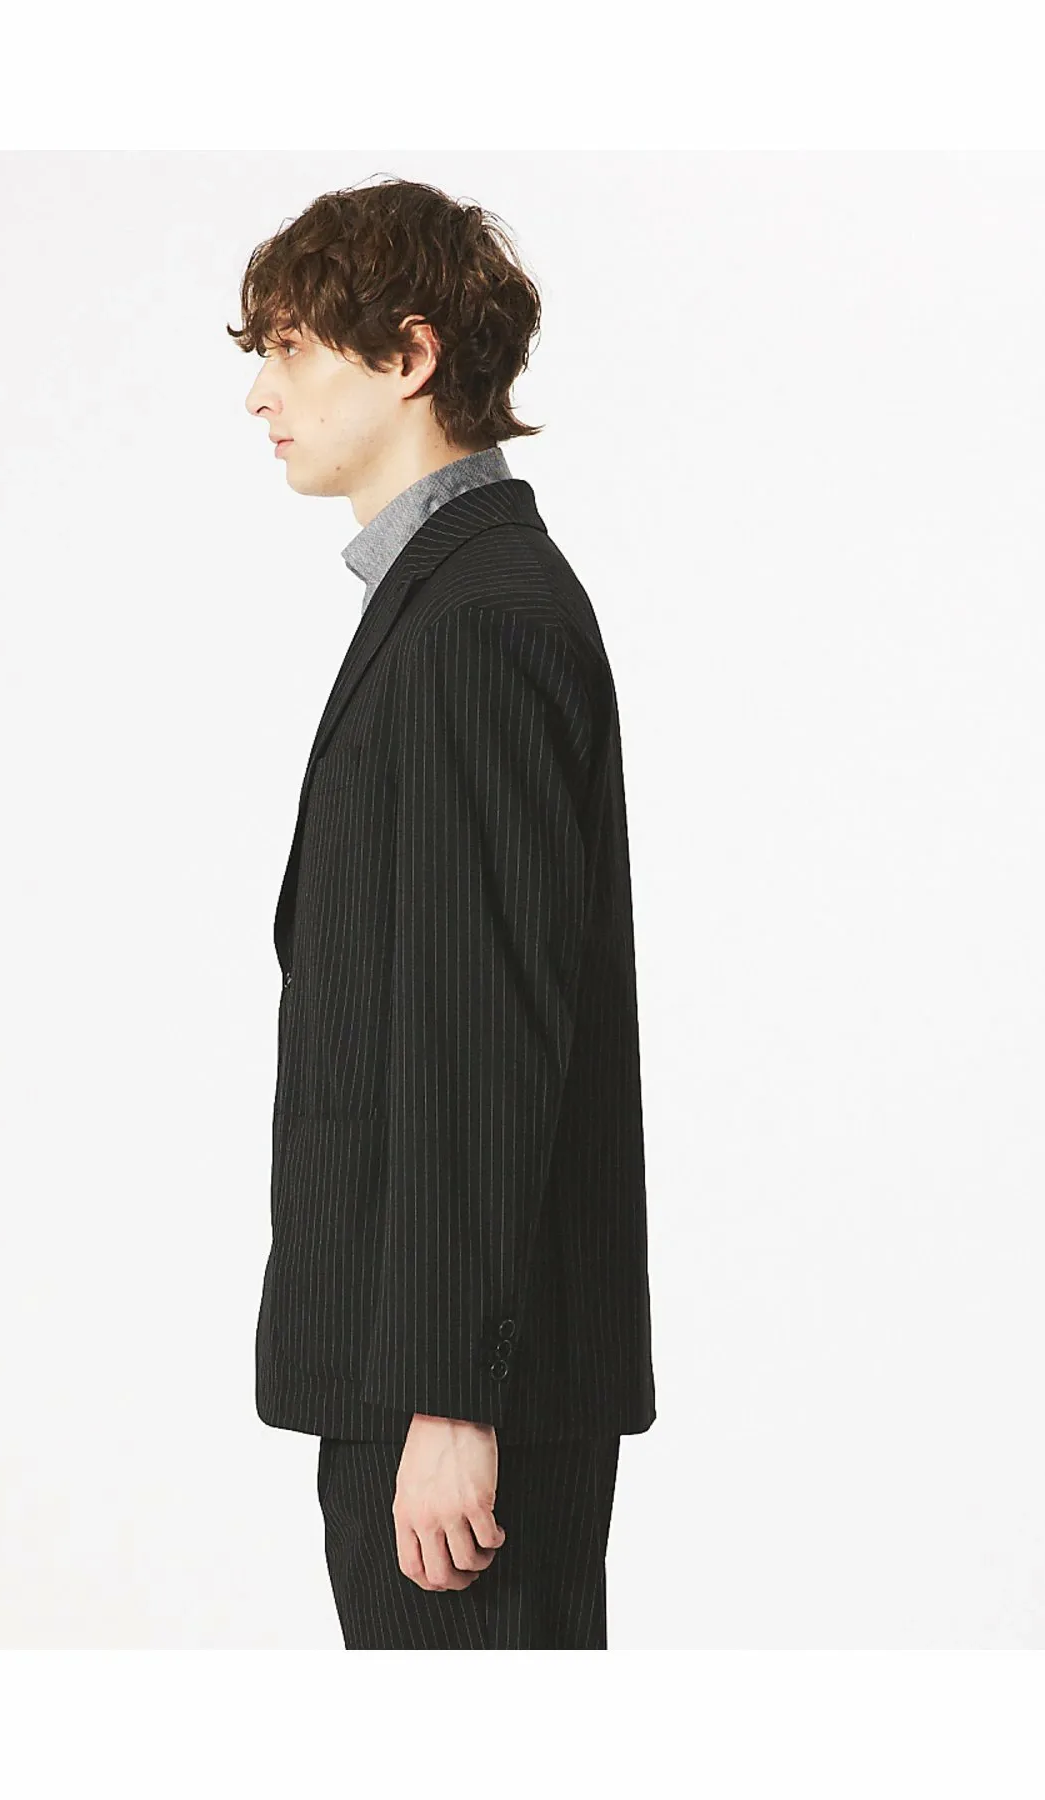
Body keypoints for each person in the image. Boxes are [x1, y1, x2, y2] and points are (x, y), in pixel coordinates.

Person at [230, 176, 655, 1649]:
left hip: (456, 1395)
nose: (260, 394)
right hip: (417, 1372)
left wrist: (452, 1397)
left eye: (290, 349)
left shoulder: (477, 623)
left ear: (409, 354)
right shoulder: (447, 603)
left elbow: (485, 1032)